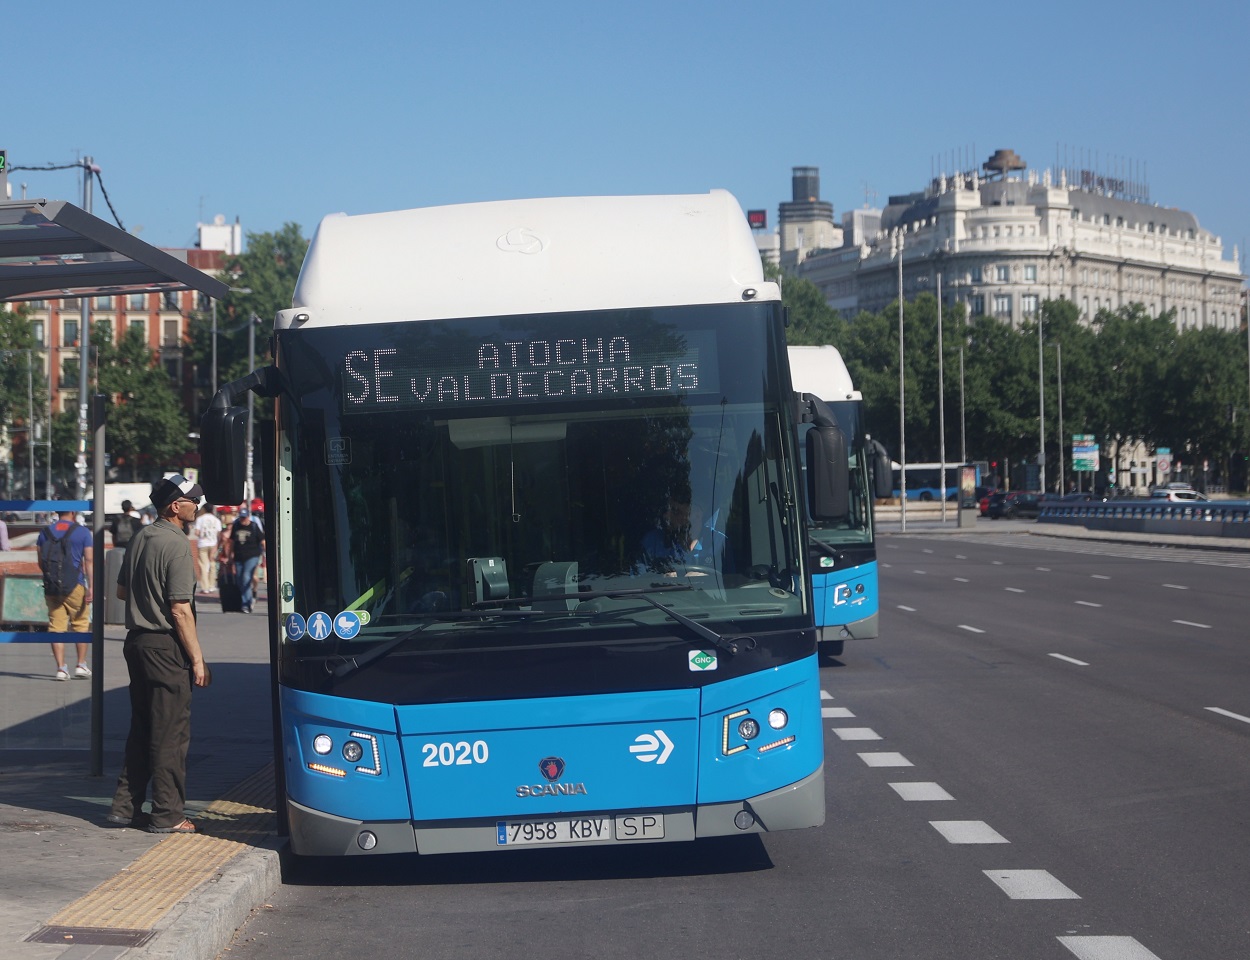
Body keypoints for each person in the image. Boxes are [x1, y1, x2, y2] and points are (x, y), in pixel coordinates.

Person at [108, 474, 209, 834]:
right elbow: (180, 609)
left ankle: (124, 807)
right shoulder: (177, 544)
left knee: (143, 727)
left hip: (136, 643)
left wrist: (145, 598)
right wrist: (197, 659)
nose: (198, 505)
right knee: (170, 732)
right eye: (193, 500)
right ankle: (167, 815)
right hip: (165, 647)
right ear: (174, 506)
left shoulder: (140, 538)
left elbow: (121, 592)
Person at [36, 510, 94, 681]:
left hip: (52, 587)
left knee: (56, 626)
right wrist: (91, 586)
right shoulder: (82, 532)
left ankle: (61, 668)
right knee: (80, 624)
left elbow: (40, 561)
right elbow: (89, 560)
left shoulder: (44, 532)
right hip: (75, 584)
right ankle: (81, 665)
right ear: (73, 512)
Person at [225, 506, 265, 614]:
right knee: (240, 580)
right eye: (241, 518)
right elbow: (232, 542)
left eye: (244, 518)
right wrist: (229, 557)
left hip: (252, 556)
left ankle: (246, 604)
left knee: (246, 577)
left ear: (248, 517)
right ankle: (247, 599)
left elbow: (262, 541)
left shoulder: (254, 526)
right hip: (238, 557)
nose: (243, 520)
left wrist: (265, 554)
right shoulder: (236, 525)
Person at [192, 504, 222, 593]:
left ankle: (205, 587)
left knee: (203, 565)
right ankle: (212, 585)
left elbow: (197, 532)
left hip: (203, 543)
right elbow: (218, 533)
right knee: (212, 565)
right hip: (213, 543)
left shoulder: (200, 519)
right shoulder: (216, 520)